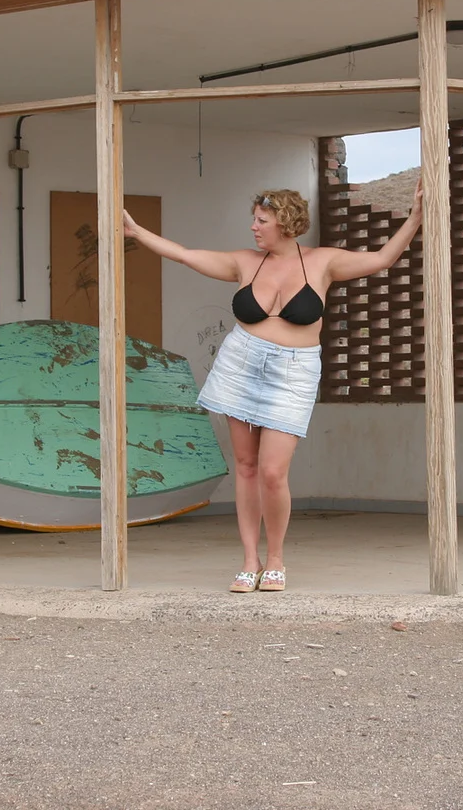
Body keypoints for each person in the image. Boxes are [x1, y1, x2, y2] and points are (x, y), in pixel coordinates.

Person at [122, 181, 423, 592]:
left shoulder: (323, 262)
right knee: (245, 468)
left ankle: (277, 557)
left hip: (294, 373)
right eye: (254, 220)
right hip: (240, 364)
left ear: (285, 222)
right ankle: (249, 559)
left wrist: (417, 216)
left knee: (272, 472)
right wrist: (138, 233)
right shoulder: (246, 262)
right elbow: (187, 256)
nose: (253, 228)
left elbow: (384, 259)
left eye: (261, 221)